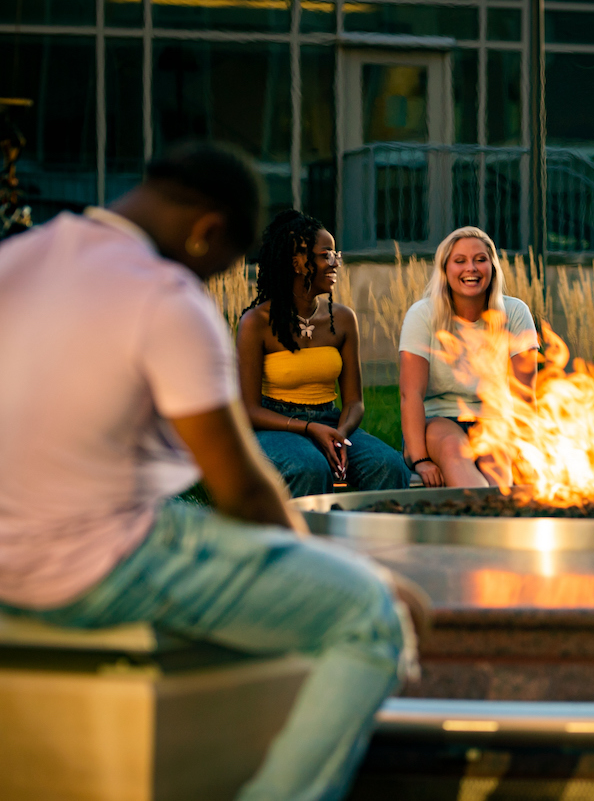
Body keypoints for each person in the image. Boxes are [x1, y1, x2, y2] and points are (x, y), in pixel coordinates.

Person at [0, 141, 426, 801]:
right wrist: (349, 573)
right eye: (219, 265)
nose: (211, 282)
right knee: (371, 616)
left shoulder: (17, 258)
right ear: (207, 231)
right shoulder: (162, 295)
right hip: (86, 563)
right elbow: (240, 489)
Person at [237, 210, 409, 497]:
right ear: (297, 262)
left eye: (336, 254)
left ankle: (377, 541)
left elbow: (355, 402)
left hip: (332, 422)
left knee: (389, 466)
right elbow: (249, 411)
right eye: (326, 255)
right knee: (309, 468)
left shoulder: (342, 319)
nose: (336, 263)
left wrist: (339, 436)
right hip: (275, 426)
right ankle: (306, 540)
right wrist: (309, 428)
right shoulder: (256, 323)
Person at [398, 226, 538, 488]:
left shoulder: (516, 313)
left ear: (492, 267)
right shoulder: (422, 315)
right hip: (437, 420)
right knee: (454, 448)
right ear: (445, 269)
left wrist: (525, 449)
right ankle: (489, 520)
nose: (471, 268)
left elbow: (524, 395)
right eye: (459, 261)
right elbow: (410, 394)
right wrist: (420, 459)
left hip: (495, 420)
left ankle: (493, 521)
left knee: (497, 467)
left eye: (480, 260)